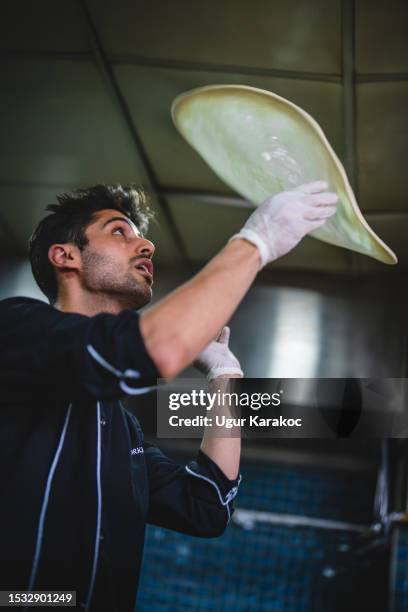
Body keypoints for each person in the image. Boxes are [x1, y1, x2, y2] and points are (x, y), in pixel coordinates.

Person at [0, 180, 338, 611]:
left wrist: (225, 375)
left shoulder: (123, 429)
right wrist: (256, 242)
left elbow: (208, 505)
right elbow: (149, 350)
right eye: (119, 231)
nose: (146, 246)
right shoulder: (15, 327)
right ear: (65, 256)